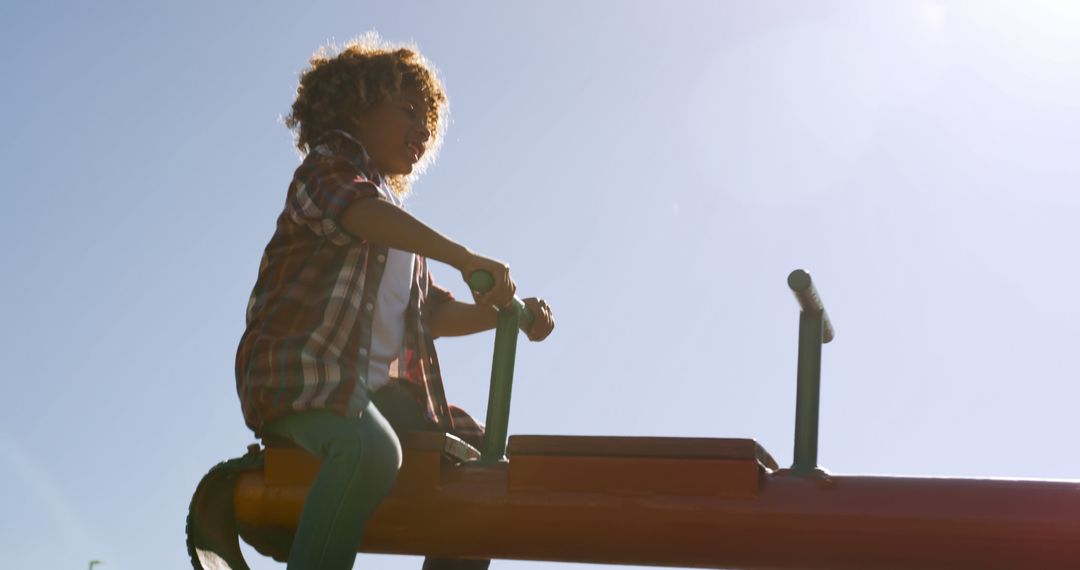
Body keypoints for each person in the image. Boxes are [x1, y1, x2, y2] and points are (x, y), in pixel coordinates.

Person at [234, 35, 555, 570]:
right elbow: (358, 214)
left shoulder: (397, 224)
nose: (423, 129)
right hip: (305, 377)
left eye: (428, 120)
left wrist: (508, 316)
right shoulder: (328, 170)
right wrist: (460, 254)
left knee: (482, 463)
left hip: (373, 392)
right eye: (407, 110)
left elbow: (431, 313)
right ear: (357, 109)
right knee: (369, 451)